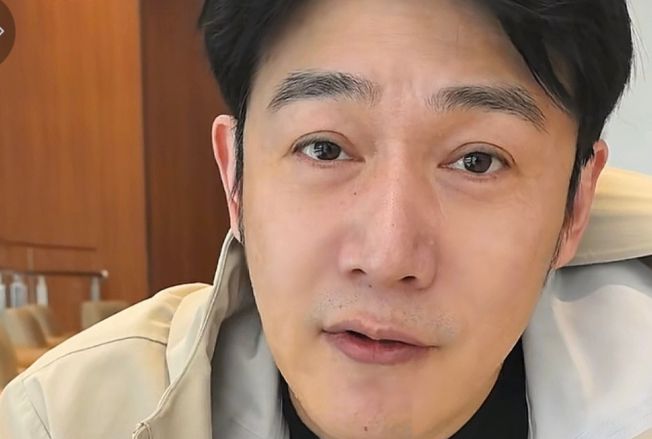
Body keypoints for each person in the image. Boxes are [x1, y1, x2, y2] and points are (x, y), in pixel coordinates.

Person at [1, 0, 650, 438]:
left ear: (575, 205)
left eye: (477, 161)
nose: (388, 256)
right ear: (235, 178)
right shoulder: (61, 420)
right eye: (324, 149)